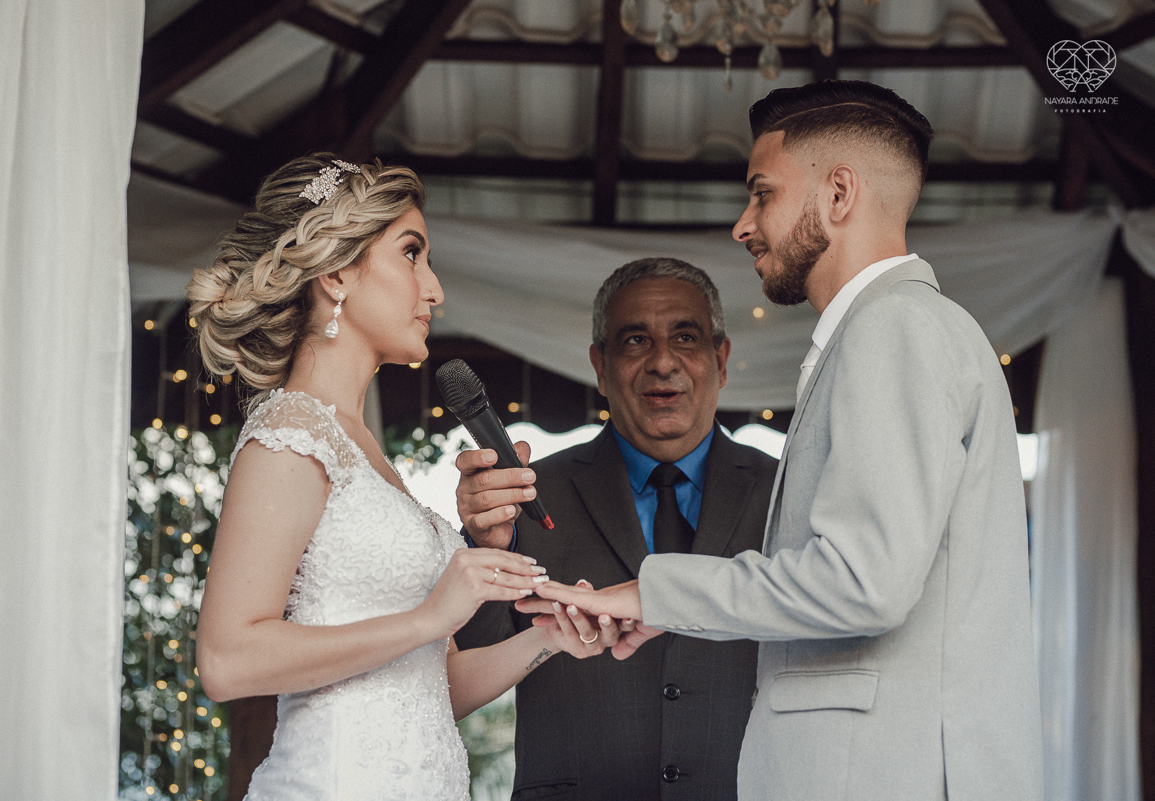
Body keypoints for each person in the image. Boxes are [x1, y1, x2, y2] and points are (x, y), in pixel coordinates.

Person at [535, 80, 1044, 801]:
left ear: (838, 194)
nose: (744, 225)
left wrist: (657, 592)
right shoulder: (904, 328)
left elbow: (863, 581)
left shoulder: (892, 328)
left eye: (762, 193)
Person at [187, 154, 613, 801]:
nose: (434, 289)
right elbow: (226, 660)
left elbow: (427, 687)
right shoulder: (291, 433)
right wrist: (430, 615)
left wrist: (547, 639)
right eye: (412, 253)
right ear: (335, 272)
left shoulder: (365, 450)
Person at [454, 258, 779, 800]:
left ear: (720, 360)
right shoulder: (529, 495)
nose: (662, 361)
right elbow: (466, 662)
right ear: (600, 366)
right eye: (634, 340)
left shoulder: (785, 494)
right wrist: (488, 548)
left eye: (686, 336)